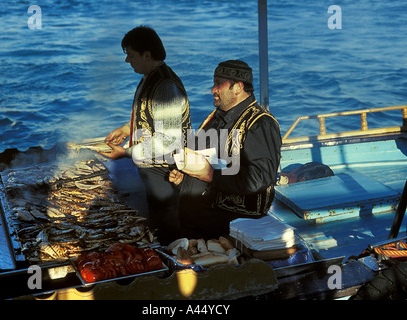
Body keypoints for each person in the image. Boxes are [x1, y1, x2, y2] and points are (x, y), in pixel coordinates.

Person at [169, 60, 282, 240]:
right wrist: (186, 177)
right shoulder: (215, 117)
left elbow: (259, 179)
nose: (213, 90)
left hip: (228, 233)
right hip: (196, 227)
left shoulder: (259, 124)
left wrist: (211, 174)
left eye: (218, 84)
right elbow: (205, 159)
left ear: (237, 87)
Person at [100, 26, 191, 245]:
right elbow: (150, 115)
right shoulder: (150, 77)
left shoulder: (166, 88)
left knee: (167, 227)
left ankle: (172, 267)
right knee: (157, 221)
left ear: (147, 55)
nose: (127, 61)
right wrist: (127, 128)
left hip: (166, 172)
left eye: (131, 55)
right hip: (152, 168)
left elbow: (168, 140)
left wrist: (126, 152)